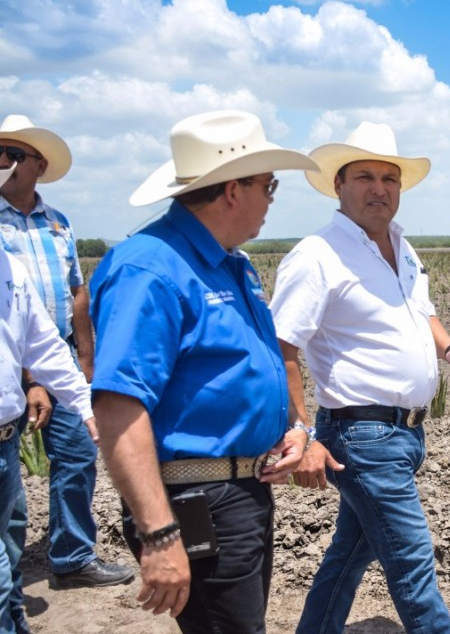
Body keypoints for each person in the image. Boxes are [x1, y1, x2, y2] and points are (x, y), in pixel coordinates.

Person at [88, 110, 317, 634]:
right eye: (269, 185)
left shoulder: (229, 263)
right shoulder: (149, 268)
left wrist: (294, 430)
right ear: (233, 190)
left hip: (241, 495)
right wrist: (159, 535)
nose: (272, 199)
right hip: (196, 506)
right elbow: (120, 407)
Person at [271, 122, 450, 634]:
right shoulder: (317, 255)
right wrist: (301, 430)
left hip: (405, 432)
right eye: (364, 175)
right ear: (338, 186)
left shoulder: (402, 248)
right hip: (362, 435)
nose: (379, 187)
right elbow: (280, 347)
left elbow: (421, 310)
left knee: (350, 553)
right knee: (412, 567)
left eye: (389, 177)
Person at [0, 114, 133, 629]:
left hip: (55, 353)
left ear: (40, 164)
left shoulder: (57, 222)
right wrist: (34, 381)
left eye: (16, 155)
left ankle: (72, 556)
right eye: (2, 154)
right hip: (20, 365)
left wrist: (84, 366)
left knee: (77, 456)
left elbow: (77, 292)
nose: (8, 164)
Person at [1, 242, 96, 634]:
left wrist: (87, 407)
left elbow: (43, 346)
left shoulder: (10, 268)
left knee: (9, 551)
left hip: (5, 441)